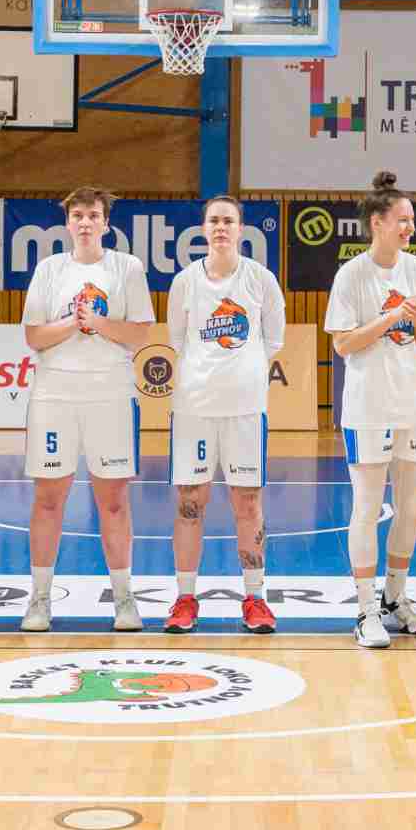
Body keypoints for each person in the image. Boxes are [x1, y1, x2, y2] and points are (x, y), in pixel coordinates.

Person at [20, 187, 154, 633]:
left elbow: (140, 334)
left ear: (106, 223)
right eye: (77, 215)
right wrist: (73, 323)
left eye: (93, 215)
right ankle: (39, 599)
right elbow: (34, 336)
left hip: (110, 396)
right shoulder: (49, 269)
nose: (84, 222)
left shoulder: (127, 267)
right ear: (67, 223)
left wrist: (97, 323)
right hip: (54, 397)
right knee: (48, 500)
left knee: (113, 502)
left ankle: (124, 599)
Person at [325, 171, 416, 649]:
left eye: (412, 220)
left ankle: (395, 597)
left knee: (410, 508)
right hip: (368, 406)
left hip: (413, 404)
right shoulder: (352, 275)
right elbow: (343, 344)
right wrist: (393, 315)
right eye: (402, 219)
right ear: (378, 222)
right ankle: (365, 609)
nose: (410, 227)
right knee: (368, 507)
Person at [163, 195, 286, 635]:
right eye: (214, 220)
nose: (220, 227)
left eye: (228, 221)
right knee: (190, 504)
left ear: (240, 229)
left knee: (247, 504)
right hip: (194, 409)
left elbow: (273, 340)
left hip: (245, 410)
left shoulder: (261, 280)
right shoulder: (185, 282)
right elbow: (177, 339)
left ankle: (255, 597)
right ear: (203, 229)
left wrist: (242, 374)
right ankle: (185, 597)